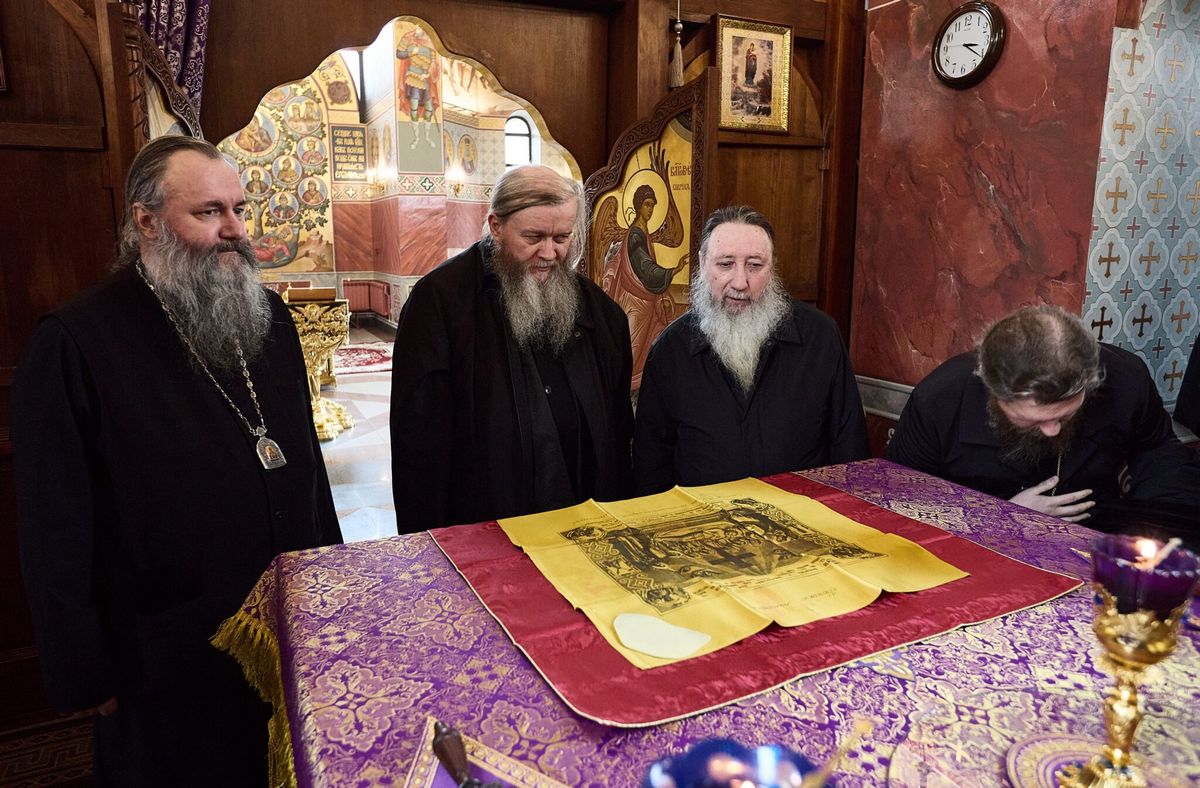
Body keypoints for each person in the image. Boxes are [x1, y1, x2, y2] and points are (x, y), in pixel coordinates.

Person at [12, 135, 342, 786]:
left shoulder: (270, 319)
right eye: (209, 212)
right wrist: (85, 672)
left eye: (239, 209)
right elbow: (55, 530)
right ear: (147, 221)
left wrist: (332, 584)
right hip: (166, 657)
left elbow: (308, 470)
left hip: (287, 633)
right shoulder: (79, 342)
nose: (235, 230)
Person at [390, 165, 634, 531]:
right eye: (534, 237)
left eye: (562, 237)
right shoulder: (440, 304)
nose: (549, 253)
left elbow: (618, 432)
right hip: (483, 530)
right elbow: (418, 450)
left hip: (586, 524)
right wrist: (429, 544)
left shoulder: (602, 314)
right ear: (496, 226)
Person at [633, 205, 869, 495]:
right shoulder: (671, 351)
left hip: (803, 518)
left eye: (755, 266)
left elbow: (850, 450)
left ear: (772, 267)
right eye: (725, 264)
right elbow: (651, 465)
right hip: (702, 520)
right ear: (703, 264)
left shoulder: (820, 338)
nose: (740, 282)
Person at [887, 304, 1188, 525]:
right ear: (994, 392)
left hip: (1093, 538)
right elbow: (900, 501)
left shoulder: (1126, 377)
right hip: (975, 546)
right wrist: (1000, 515)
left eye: (1064, 416)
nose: (1052, 430)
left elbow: (1160, 454)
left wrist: (1158, 529)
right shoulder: (940, 399)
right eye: (1035, 420)